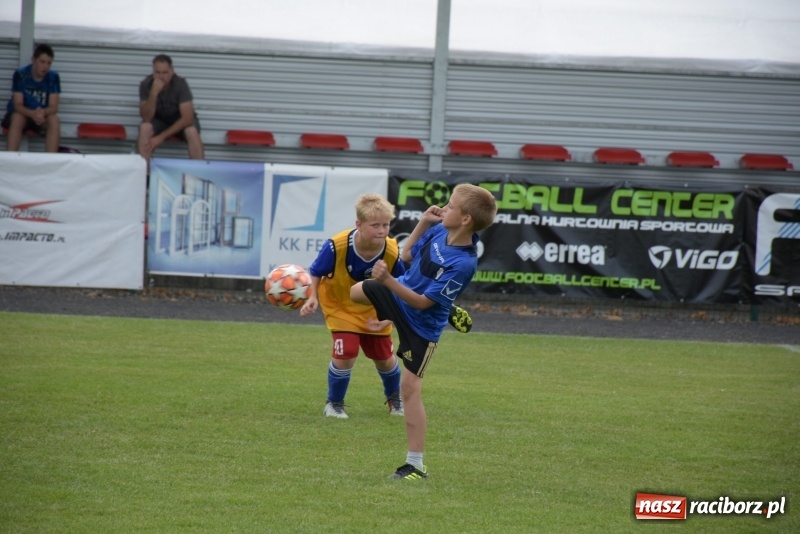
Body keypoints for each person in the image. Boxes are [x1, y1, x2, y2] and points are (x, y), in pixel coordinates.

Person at [350, 183, 497, 480]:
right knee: (355, 292)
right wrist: (423, 222)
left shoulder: (463, 262)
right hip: (403, 292)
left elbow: (421, 302)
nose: (445, 207)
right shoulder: (439, 229)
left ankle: (415, 465)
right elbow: (406, 255)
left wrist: (388, 280)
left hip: (423, 322)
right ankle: (446, 305)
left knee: (410, 388)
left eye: (451, 205)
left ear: (466, 219)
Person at [300, 193, 475, 420]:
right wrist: (312, 297)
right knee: (347, 352)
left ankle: (395, 400)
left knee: (384, 358)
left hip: (375, 311)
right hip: (341, 308)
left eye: (386, 225)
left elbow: (401, 289)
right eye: (375, 225)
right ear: (359, 225)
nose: (382, 230)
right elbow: (315, 271)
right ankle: (334, 404)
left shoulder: (391, 250)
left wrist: (389, 318)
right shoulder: (337, 245)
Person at [137, 54, 204, 162]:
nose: (161, 76)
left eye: (165, 72)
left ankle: (199, 173)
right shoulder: (145, 84)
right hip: (159, 121)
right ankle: (146, 173)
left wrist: (161, 137)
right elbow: (146, 118)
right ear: (153, 72)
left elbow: (187, 118)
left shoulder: (180, 84)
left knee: (192, 131)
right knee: (145, 128)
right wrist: (153, 93)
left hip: (180, 121)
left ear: (172, 71)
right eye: (158, 72)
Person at [2, 44, 61, 152]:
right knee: (18, 118)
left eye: (49, 63)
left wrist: (42, 113)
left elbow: (54, 107)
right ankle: (10, 159)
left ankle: (52, 161)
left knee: (54, 120)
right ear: (33, 60)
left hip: (40, 116)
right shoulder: (21, 74)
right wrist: (32, 114)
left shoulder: (53, 77)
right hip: (21, 114)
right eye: (42, 62)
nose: (46, 67)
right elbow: (17, 105)